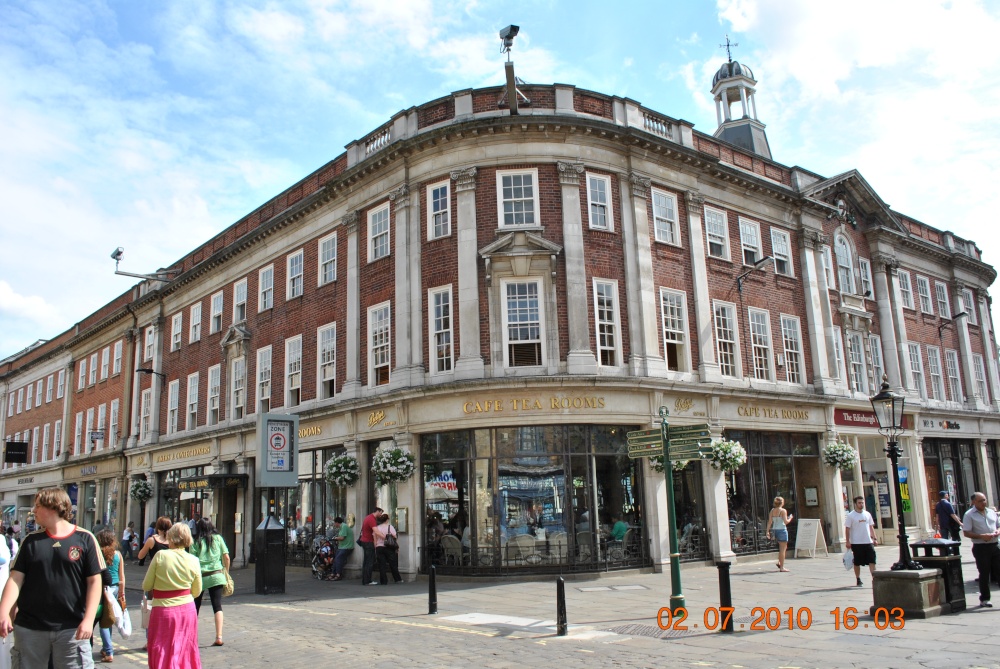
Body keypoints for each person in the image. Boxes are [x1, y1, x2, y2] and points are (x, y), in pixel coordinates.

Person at [0, 488, 104, 669]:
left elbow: (95, 582)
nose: (34, 510)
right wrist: (3, 612)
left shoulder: (85, 539)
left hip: (71, 629)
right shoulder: (30, 541)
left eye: (38, 506)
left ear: (54, 508)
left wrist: (88, 619)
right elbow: (15, 579)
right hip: (30, 629)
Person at [142, 523, 202, 669]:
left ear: (170, 537)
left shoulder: (161, 556)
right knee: (185, 648)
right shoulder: (194, 560)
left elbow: (146, 585)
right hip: (186, 610)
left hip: (163, 609)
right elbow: (197, 591)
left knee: (162, 647)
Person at [190, 518, 230, 646]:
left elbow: (192, 561)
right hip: (216, 575)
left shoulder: (195, 541)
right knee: (217, 606)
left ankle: (191, 637)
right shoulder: (218, 538)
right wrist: (226, 571)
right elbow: (227, 557)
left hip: (200, 576)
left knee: (195, 607)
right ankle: (219, 636)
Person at [963, 492, 1000, 607]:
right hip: (981, 547)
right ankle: (985, 598)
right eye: (980, 501)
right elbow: (966, 532)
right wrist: (981, 536)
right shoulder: (969, 515)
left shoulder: (991, 512)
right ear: (973, 502)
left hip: (995, 545)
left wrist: (997, 532)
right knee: (984, 573)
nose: (984, 503)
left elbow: (998, 526)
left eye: (984, 500)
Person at [95, 529, 126, 663]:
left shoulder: (98, 553)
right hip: (115, 588)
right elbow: (122, 576)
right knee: (110, 618)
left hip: (103, 589)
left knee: (104, 621)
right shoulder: (118, 554)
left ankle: (108, 651)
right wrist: (122, 592)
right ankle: (105, 647)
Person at [845, 496, 878, 586]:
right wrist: (847, 541)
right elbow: (847, 529)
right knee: (857, 562)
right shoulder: (851, 515)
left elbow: (871, 527)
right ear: (855, 504)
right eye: (859, 503)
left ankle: (874, 578)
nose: (861, 504)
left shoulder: (867, 514)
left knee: (872, 561)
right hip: (856, 543)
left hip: (868, 542)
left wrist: (874, 538)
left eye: (862, 502)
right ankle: (858, 578)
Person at [765, 497, 794, 572]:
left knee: (780, 548)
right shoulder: (783, 510)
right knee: (783, 549)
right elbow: (786, 522)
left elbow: (769, 522)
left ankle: (779, 562)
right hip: (782, 530)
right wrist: (790, 518)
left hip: (774, 530)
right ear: (782, 503)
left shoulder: (772, 510)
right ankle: (782, 567)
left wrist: (767, 531)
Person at [372, 513, 402, 585]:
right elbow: (395, 537)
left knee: (382, 565)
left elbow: (374, 539)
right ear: (387, 520)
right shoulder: (390, 527)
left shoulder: (377, 528)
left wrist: (375, 547)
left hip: (379, 547)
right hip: (389, 547)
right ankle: (397, 579)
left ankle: (383, 581)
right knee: (393, 564)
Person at [358, 506, 382, 586]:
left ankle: (365, 580)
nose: (381, 514)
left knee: (366, 562)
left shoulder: (367, 517)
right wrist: (386, 538)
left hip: (365, 541)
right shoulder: (371, 519)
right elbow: (376, 531)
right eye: (380, 512)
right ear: (377, 511)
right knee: (369, 562)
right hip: (368, 542)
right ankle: (367, 580)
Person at [331, 516, 354, 581]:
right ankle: (333, 573)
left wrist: (335, 538)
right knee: (335, 559)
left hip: (347, 547)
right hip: (341, 546)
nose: (334, 525)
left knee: (338, 559)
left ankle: (338, 574)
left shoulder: (344, 527)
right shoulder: (341, 528)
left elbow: (342, 537)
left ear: (337, 522)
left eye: (334, 523)